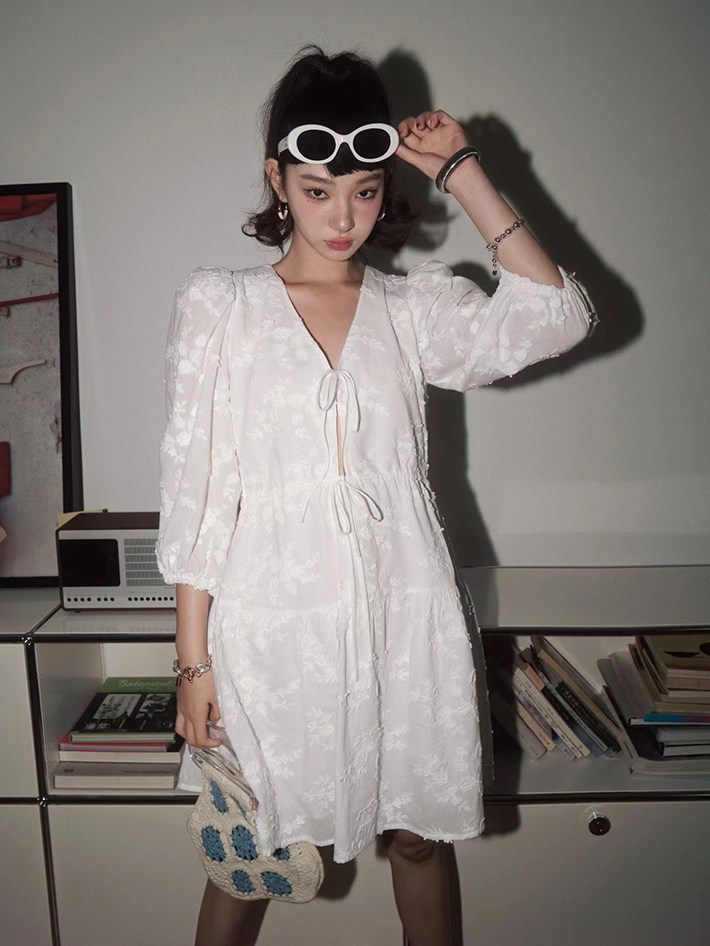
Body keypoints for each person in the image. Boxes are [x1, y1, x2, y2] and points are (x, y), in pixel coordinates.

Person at [155, 44, 597, 946]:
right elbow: (197, 493)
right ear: (277, 181)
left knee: (420, 839)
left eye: (363, 191)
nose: (343, 216)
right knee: (253, 849)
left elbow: (557, 318)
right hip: (271, 631)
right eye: (318, 190)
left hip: (406, 617)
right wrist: (193, 664)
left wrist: (463, 170)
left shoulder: (414, 308)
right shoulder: (221, 306)